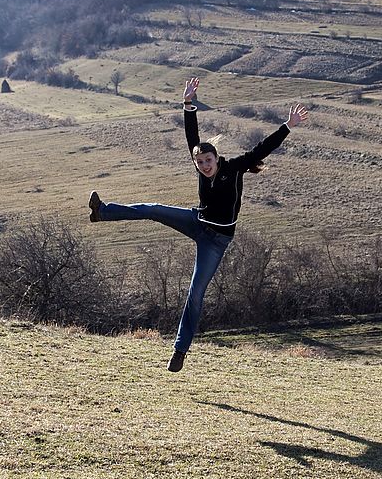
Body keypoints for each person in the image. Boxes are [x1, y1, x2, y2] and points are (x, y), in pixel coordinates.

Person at [88, 77, 308, 372]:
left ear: (217, 159)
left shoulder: (234, 168)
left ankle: (180, 350)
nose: (204, 165)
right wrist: (188, 104)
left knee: (196, 292)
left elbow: (261, 150)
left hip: (215, 241)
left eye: (208, 160)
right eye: (200, 162)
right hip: (196, 220)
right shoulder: (199, 164)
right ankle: (102, 212)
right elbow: (192, 136)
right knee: (153, 209)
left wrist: (288, 126)